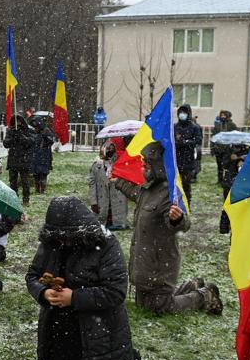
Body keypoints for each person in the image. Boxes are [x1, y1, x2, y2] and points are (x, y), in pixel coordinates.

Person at [26, 196, 141, 360]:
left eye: (66, 237)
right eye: (57, 237)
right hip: (58, 328)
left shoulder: (106, 245)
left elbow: (116, 291)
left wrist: (75, 298)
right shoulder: (52, 241)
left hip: (97, 329)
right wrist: (44, 293)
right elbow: (33, 275)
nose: (62, 242)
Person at [114, 142, 222, 315]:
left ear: (157, 166)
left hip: (159, 264)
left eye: (146, 165)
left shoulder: (169, 193)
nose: (143, 168)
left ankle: (204, 296)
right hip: (145, 263)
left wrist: (176, 219)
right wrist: (118, 181)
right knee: (145, 305)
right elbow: (135, 193)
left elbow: (184, 225)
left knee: (160, 307)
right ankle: (192, 285)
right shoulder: (149, 188)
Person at [88, 139, 129, 230]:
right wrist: (93, 202)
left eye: (111, 150)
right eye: (107, 150)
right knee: (102, 212)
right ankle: (105, 222)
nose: (108, 152)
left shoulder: (119, 164)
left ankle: (118, 222)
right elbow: (92, 184)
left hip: (117, 201)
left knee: (117, 208)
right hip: (102, 200)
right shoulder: (96, 166)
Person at [218, 142, 250, 234]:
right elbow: (224, 164)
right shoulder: (229, 150)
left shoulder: (248, 151)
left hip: (242, 184)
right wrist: (230, 159)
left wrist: (240, 159)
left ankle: (236, 227)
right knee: (227, 205)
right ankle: (225, 228)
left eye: (238, 147)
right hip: (229, 181)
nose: (236, 148)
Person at [173, 104, 202, 205]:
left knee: (186, 185)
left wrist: (185, 142)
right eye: (180, 112)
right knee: (176, 185)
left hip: (188, 161)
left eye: (184, 112)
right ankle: (176, 205)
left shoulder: (194, 127)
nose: (182, 115)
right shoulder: (175, 127)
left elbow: (198, 140)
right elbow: (171, 141)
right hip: (176, 161)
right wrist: (177, 143)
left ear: (188, 114)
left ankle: (186, 205)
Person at [3, 114, 34, 206]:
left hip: (24, 160)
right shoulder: (10, 131)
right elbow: (5, 143)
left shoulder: (27, 130)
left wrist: (22, 137)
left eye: (19, 121)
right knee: (13, 182)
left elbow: (31, 142)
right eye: (15, 121)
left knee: (25, 182)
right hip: (13, 160)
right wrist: (13, 138)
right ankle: (14, 199)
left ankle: (26, 199)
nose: (17, 123)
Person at [211, 110, 238, 184]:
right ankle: (220, 180)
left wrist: (234, 150)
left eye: (224, 115)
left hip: (228, 149)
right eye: (221, 115)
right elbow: (213, 137)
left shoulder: (232, 125)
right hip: (218, 149)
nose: (223, 117)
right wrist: (213, 148)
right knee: (219, 165)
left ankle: (226, 179)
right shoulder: (217, 126)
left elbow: (236, 137)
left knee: (227, 166)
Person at [30, 117, 55, 194]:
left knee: (43, 174)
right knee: (36, 174)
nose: (35, 129)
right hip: (35, 156)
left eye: (37, 127)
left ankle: (43, 189)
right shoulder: (33, 133)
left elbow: (51, 141)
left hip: (44, 156)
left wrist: (46, 137)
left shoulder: (46, 131)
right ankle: (37, 189)